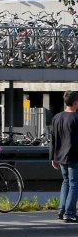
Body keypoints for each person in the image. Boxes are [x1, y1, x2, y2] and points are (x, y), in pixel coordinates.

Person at [50, 91, 78, 223]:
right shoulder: (76, 117)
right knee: (74, 184)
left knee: (66, 182)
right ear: (75, 102)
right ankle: (70, 212)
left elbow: (53, 139)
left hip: (60, 156)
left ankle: (61, 209)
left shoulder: (57, 117)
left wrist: (53, 158)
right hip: (74, 156)